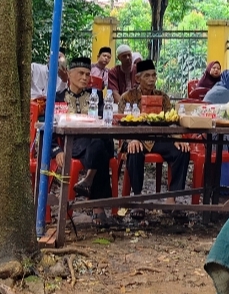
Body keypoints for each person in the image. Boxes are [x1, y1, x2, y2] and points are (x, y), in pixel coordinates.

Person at [119, 60, 190, 210]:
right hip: (134, 137)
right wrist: (131, 139)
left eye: (153, 76)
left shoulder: (162, 97)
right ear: (138, 79)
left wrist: (177, 138)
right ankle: (139, 200)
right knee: (134, 150)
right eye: (147, 76)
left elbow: (172, 120)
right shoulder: (127, 97)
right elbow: (120, 123)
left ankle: (172, 199)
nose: (151, 79)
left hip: (158, 139)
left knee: (182, 151)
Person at [50, 56, 114, 223]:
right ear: (69, 75)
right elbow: (48, 126)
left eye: (87, 74)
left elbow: (103, 120)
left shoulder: (96, 95)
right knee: (102, 148)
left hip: (94, 140)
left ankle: (88, 179)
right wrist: (57, 150)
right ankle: (98, 207)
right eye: (80, 74)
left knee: (101, 142)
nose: (85, 78)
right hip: (73, 143)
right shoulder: (58, 97)